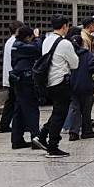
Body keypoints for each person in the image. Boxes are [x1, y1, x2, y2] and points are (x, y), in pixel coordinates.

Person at [34, 15, 78, 158]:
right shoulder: (65, 43)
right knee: (60, 115)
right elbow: (75, 64)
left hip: (48, 82)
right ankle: (53, 146)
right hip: (60, 82)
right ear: (65, 26)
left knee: (57, 112)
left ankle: (41, 136)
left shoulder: (47, 40)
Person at [10, 26, 43, 150]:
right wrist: (38, 37)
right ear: (27, 37)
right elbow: (37, 48)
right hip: (25, 81)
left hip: (19, 80)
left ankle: (17, 139)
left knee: (19, 110)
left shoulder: (16, 44)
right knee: (32, 109)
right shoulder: (21, 46)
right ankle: (36, 139)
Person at [68, 30, 94, 141]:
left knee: (75, 109)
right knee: (86, 110)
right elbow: (93, 68)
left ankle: (74, 132)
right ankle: (87, 131)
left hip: (73, 86)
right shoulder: (88, 55)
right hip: (86, 86)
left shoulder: (69, 55)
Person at [0, 20, 23, 133]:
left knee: (11, 101)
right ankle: (9, 124)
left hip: (10, 75)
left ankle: (3, 124)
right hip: (15, 76)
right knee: (16, 101)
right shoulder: (16, 42)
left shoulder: (9, 41)